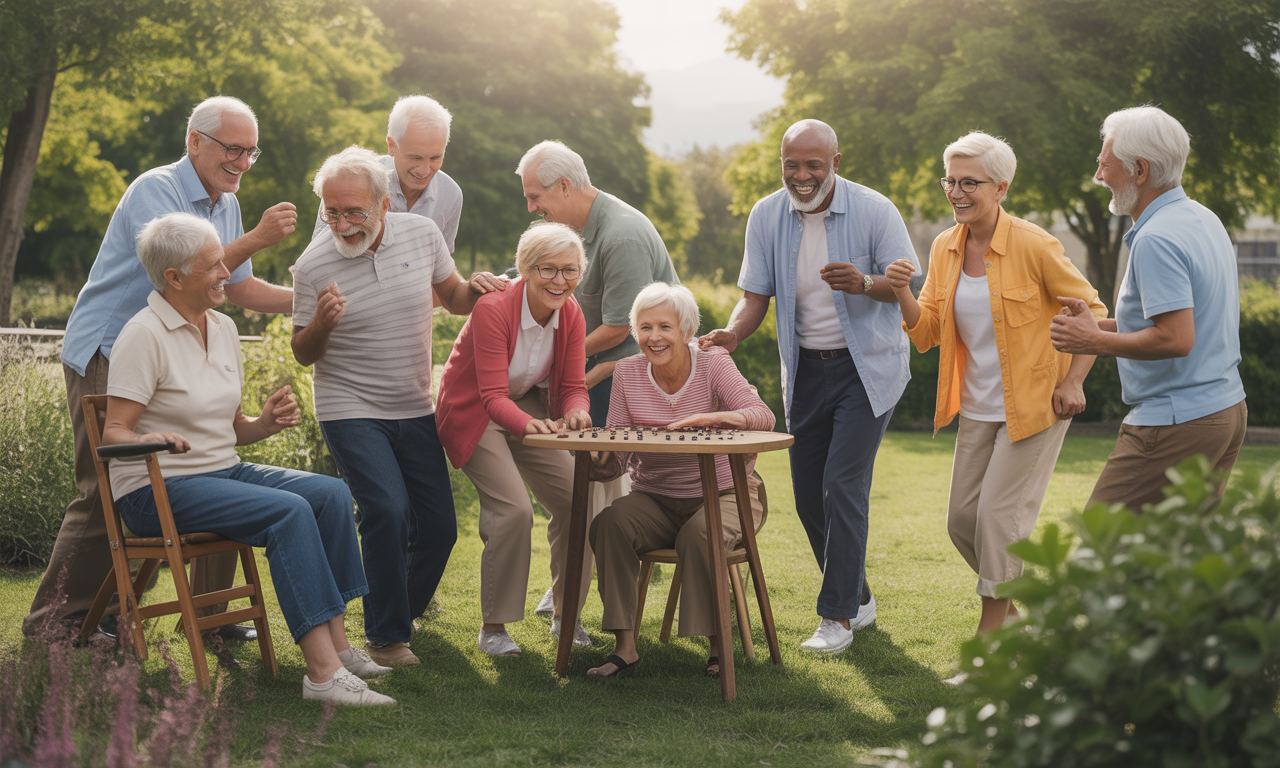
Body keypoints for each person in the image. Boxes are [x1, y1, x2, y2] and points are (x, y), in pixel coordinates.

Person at [26, 96, 298, 641]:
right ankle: (57, 618)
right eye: (232, 149)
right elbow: (180, 271)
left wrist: (310, 301)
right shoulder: (155, 189)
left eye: (251, 152)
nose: (243, 162)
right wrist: (261, 239)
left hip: (176, 349)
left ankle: (211, 613)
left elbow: (235, 286)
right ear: (195, 140)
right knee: (105, 486)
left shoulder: (226, 203)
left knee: (211, 462)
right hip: (112, 349)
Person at [103, 212, 393, 705]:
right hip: (155, 490)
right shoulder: (143, 334)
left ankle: (340, 649)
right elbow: (113, 432)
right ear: (174, 278)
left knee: (330, 493)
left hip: (220, 472)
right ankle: (321, 676)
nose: (226, 273)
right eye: (214, 266)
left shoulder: (223, 328)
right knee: (289, 511)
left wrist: (265, 423)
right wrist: (159, 438)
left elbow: (233, 428)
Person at [700, 119, 918, 654]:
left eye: (813, 165)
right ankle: (859, 595)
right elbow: (755, 296)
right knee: (806, 497)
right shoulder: (767, 214)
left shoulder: (874, 210)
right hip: (804, 372)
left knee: (842, 485)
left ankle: (837, 618)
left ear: (835, 164)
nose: (802, 175)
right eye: (791, 164)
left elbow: (912, 287)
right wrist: (731, 333)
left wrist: (866, 283)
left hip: (866, 369)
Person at [290, 146, 506, 667]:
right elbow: (302, 352)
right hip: (348, 404)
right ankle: (386, 639)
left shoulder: (422, 235)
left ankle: (398, 614)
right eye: (331, 212)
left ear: (384, 203)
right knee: (387, 510)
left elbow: (452, 296)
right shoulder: (313, 265)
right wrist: (321, 322)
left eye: (354, 212)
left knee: (437, 528)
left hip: (411, 401)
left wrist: (477, 291)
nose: (342, 224)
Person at [884, 132, 1107, 633]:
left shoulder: (1035, 244)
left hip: (1034, 405)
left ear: (1001, 187)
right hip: (976, 405)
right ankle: (1019, 621)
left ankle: (991, 647)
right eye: (950, 181)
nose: (956, 193)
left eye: (970, 183)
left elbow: (1091, 311)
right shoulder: (945, 246)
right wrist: (902, 291)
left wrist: (1075, 381)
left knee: (997, 521)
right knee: (962, 521)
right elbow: (928, 333)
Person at [1051, 106, 1247, 511]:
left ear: (1139, 171)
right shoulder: (1201, 218)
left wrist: (1091, 341)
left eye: (1105, 165)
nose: (1098, 176)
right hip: (1226, 410)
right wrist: (1096, 327)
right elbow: (1174, 320)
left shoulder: (1156, 238)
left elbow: (1176, 338)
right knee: (1174, 562)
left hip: (1177, 422)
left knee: (1100, 550)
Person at [516, 140, 680, 619]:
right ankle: (568, 589)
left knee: (594, 486)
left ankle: (570, 597)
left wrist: (555, 356)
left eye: (535, 197)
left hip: (624, 377)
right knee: (582, 487)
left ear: (564, 186)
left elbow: (621, 328)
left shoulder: (620, 236)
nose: (531, 208)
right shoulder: (580, 230)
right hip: (598, 374)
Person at [586, 283, 774, 677]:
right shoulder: (627, 373)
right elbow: (619, 451)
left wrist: (718, 418)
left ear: (687, 332)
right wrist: (599, 462)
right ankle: (624, 648)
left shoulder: (712, 362)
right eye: (645, 327)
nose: (654, 337)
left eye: (665, 327)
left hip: (726, 494)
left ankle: (717, 645)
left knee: (698, 535)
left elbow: (762, 416)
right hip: (655, 497)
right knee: (609, 524)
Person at [436, 223, 593, 656]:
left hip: (526, 406)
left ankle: (566, 615)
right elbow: (490, 396)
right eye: (548, 270)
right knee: (514, 509)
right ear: (525, 268)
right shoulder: (493, 308)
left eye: (570, 270)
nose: (560, 281)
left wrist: (578, 408)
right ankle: (494, 628)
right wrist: (526, 425)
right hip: (474, 411)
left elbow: (574, 385)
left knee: (579, 499)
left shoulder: (572, 313)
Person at [310, 94, 462, 253]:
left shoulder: (451, 194)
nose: (424, 170)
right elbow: (318, 254)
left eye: (435, 157)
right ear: (391, 145)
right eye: (414, 157)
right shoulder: (350, 181)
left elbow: (440, 267)